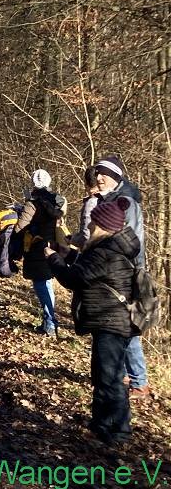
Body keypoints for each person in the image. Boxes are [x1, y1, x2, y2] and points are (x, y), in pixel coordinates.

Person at [45, 198, 138, 445]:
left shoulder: (106, 252)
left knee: (110, 378)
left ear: (103, 226)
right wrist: (67, 253)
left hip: (111, 322)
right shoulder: (110, 248)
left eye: (93, 223)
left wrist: (53, 258)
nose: (89, 227)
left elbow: (73, 278)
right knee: (103, 375)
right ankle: (101, 425)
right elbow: (86, 267)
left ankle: (117, 433)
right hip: (110, 321)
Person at [95, 155, 150, 400]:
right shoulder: (110, 198)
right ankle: (128, 376)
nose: (98, 177)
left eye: (104, 174)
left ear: (115, 177)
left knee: (128, 327)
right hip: (112, 272)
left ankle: (140, 383)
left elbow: (133, 242)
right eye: (98, 173)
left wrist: (135, 274)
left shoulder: (126, 202)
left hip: (124, 274)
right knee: (120, 327)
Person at [14, 169, 66, 338]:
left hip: (36, 248)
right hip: (51, 247)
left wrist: (19, 212)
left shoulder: (33, 203)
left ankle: (50, 323)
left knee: (41, 285)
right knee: (47, 284)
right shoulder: (57, 200)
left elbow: (20, 228)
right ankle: (49, 322)